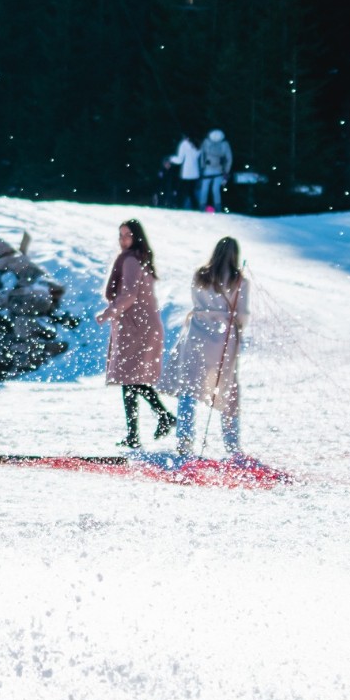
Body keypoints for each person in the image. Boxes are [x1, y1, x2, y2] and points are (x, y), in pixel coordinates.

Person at [163, 236, 249, 457]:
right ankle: (231, 443)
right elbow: (242, 315)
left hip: (197, 334)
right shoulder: (239, 280)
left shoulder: (200, 275)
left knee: (189, 388)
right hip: (223, 340)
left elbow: (195, 301)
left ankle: (184, 439)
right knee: (227, 388)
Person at [97, 219, 174, 448]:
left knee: (129, 379)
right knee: (130, 380)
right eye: (120, 235)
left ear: (136, 237)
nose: (123, 240)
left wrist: (108, 312)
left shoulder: (130, 260)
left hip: (136, 326)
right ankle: (143, 429)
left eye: (127, 235)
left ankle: (160, 419)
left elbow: (129, 294)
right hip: (139, 325)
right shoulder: (139, 258)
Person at [198, 128, 232, 212]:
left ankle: (207, 206)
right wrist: (226, 171)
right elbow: (229, 158)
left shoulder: (222, 144)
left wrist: (202, 166)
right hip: (213, 169)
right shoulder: (209, 142)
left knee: (209, 188)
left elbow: (202, 155)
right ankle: (213, 206)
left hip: (215, 170)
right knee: (212, 189)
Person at [170, 134, 201, 210]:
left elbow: (179, 160)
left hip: (186, 172)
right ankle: (195, 207)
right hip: (195, 172)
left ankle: (178, 206)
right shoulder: (197, 144)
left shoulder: (183, 144)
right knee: (191, 192)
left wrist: (171, 158)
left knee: (181, 191)